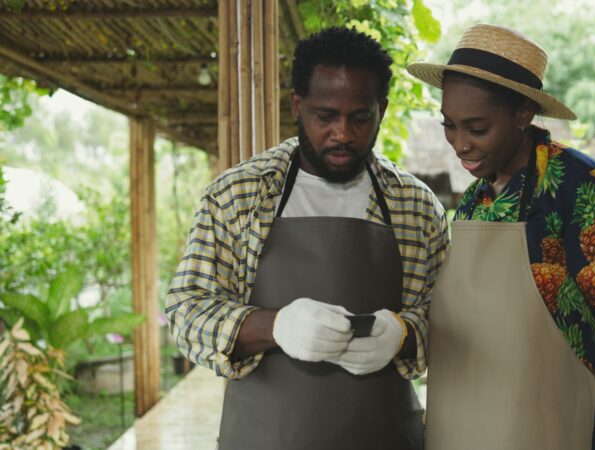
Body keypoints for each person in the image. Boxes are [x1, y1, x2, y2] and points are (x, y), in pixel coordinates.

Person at [165, 27, 449, 450]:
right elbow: (186, 312)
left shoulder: (415, 205)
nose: (343, 133)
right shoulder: (239, 194)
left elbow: (452, 323)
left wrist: (404, 334)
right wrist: (275, 326)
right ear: (298, 105)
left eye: (360, 116)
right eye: (325, 115)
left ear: (382, 110)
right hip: (263, 439)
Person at [408, 24, 595, 450]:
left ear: (523, 114)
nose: (459, 144)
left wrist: (577, 415)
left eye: (476, 127)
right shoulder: (476, 199)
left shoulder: (586, 194)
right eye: (449, 126)